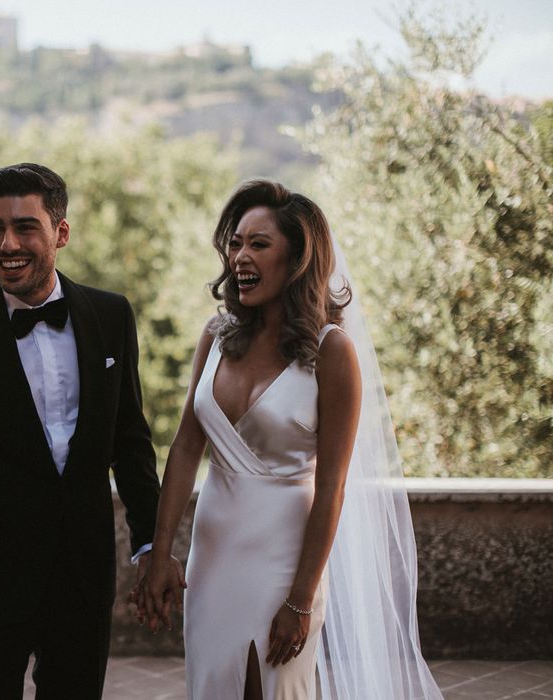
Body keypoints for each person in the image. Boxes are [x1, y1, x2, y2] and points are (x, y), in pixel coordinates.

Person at [138, 180, 443, 699]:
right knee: (212, 685)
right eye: (235, 243)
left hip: (284, 560)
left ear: (297, 259)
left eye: (259, 244)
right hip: (212, 559)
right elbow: (187, 447)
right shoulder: (215, 335)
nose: (240, 257)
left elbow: (333, 488)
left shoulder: (332, 352)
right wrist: (162, 553)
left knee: (270, 688)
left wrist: (301, 598)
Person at [0, 162, 161, 700]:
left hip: (83, 576)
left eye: (25, 227)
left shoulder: (112, 316)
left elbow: (130, 442)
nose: (6, 243)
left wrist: (150, 546)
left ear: (60, 233)